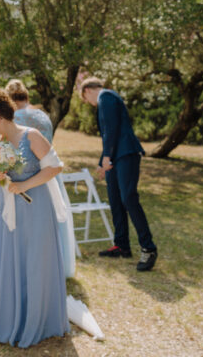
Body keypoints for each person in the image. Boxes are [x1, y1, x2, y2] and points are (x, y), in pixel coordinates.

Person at [0, 87, 69, 348]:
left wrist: (26, 185)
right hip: (8, 211)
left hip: (36, 208)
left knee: (36, 260)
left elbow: (55, 166)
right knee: (8, 259)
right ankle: (7, 316)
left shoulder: (32, 136)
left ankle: (37, 320)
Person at [80, 77, 157, 271]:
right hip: (115, 157)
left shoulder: (105, 97)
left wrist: (107, 157)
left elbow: (111, 130)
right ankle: (121, 245)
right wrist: (102, 163)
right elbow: (108, 132)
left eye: (84, 99)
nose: (87, 103)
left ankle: (148, 248)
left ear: (87, 90)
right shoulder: (106, 99)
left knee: (129, 198)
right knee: (115, 200)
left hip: (127, 154)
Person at [6, 79, 75, 278]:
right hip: (50, 176)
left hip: (29, 178)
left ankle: (33, 268)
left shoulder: (14, 118)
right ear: (27, 96)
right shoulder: (43, 116)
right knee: (55, 222)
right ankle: (56, 265)